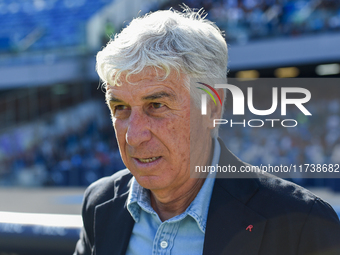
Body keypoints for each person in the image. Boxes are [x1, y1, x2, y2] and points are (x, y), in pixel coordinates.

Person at [74, 8, 340, 255]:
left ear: (212, 109)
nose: (133, 135)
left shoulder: (303, 224)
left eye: (156, 105)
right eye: (120, 107)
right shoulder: (100, 204)